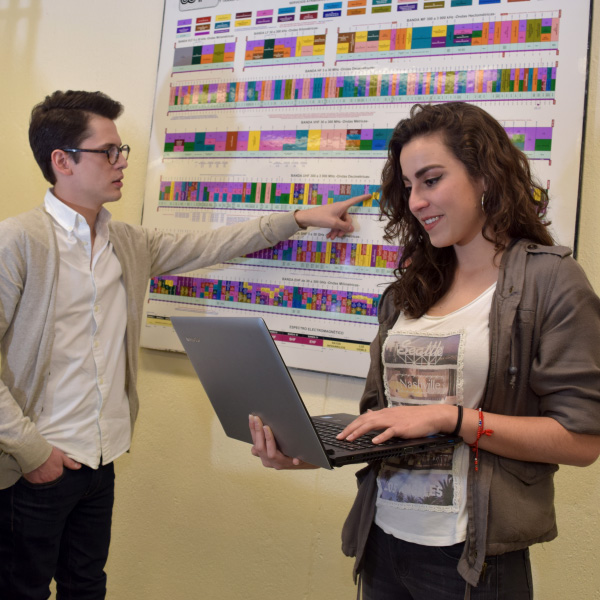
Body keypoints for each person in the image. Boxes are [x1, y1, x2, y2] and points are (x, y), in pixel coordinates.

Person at [0, 89, 368, 600]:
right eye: (108, 151)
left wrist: (300, 218)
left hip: (101, 458)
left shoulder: (128, 243)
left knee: (87, 587)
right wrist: (32, 451)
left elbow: (211, 245)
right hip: (36, 465)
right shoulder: (18, 242)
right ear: (62, 161)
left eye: (121, 150)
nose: (121, 162)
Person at [249, 102, 600, 599]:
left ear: (485, 176)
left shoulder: (550, 280)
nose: (415, 201)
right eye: (409, 186)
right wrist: (312, 452)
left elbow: (582, 440)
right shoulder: (409, 290)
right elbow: (385, 420)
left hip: (470, 561)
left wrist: (450, 419)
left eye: (431, 180)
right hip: (382, 542)